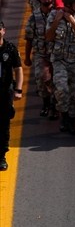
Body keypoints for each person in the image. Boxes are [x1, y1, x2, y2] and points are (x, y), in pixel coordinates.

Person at [46, 0, 75, 135]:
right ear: (68, 4)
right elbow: (48, 37)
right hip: (59, 60)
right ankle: (64, 116)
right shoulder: (53, 15)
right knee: (62, 89)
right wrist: (57, 21)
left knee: (74, 94)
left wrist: (72, 21)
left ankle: (72, 120)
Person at [24, 0, 57, 120]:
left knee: (57, 81)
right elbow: (29, 39)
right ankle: (46, 103)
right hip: (41, 54)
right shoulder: (33, 17)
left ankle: (55, 107)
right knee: (41, 78)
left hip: (56, 54)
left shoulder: (57, 15)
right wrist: (27, 57)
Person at [0, 17, 24, 171]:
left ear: (3, 31)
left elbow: (18, 69)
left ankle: (1, 156)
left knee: (3, 124)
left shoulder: (10, 49)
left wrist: (19, 89)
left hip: (4, 91)